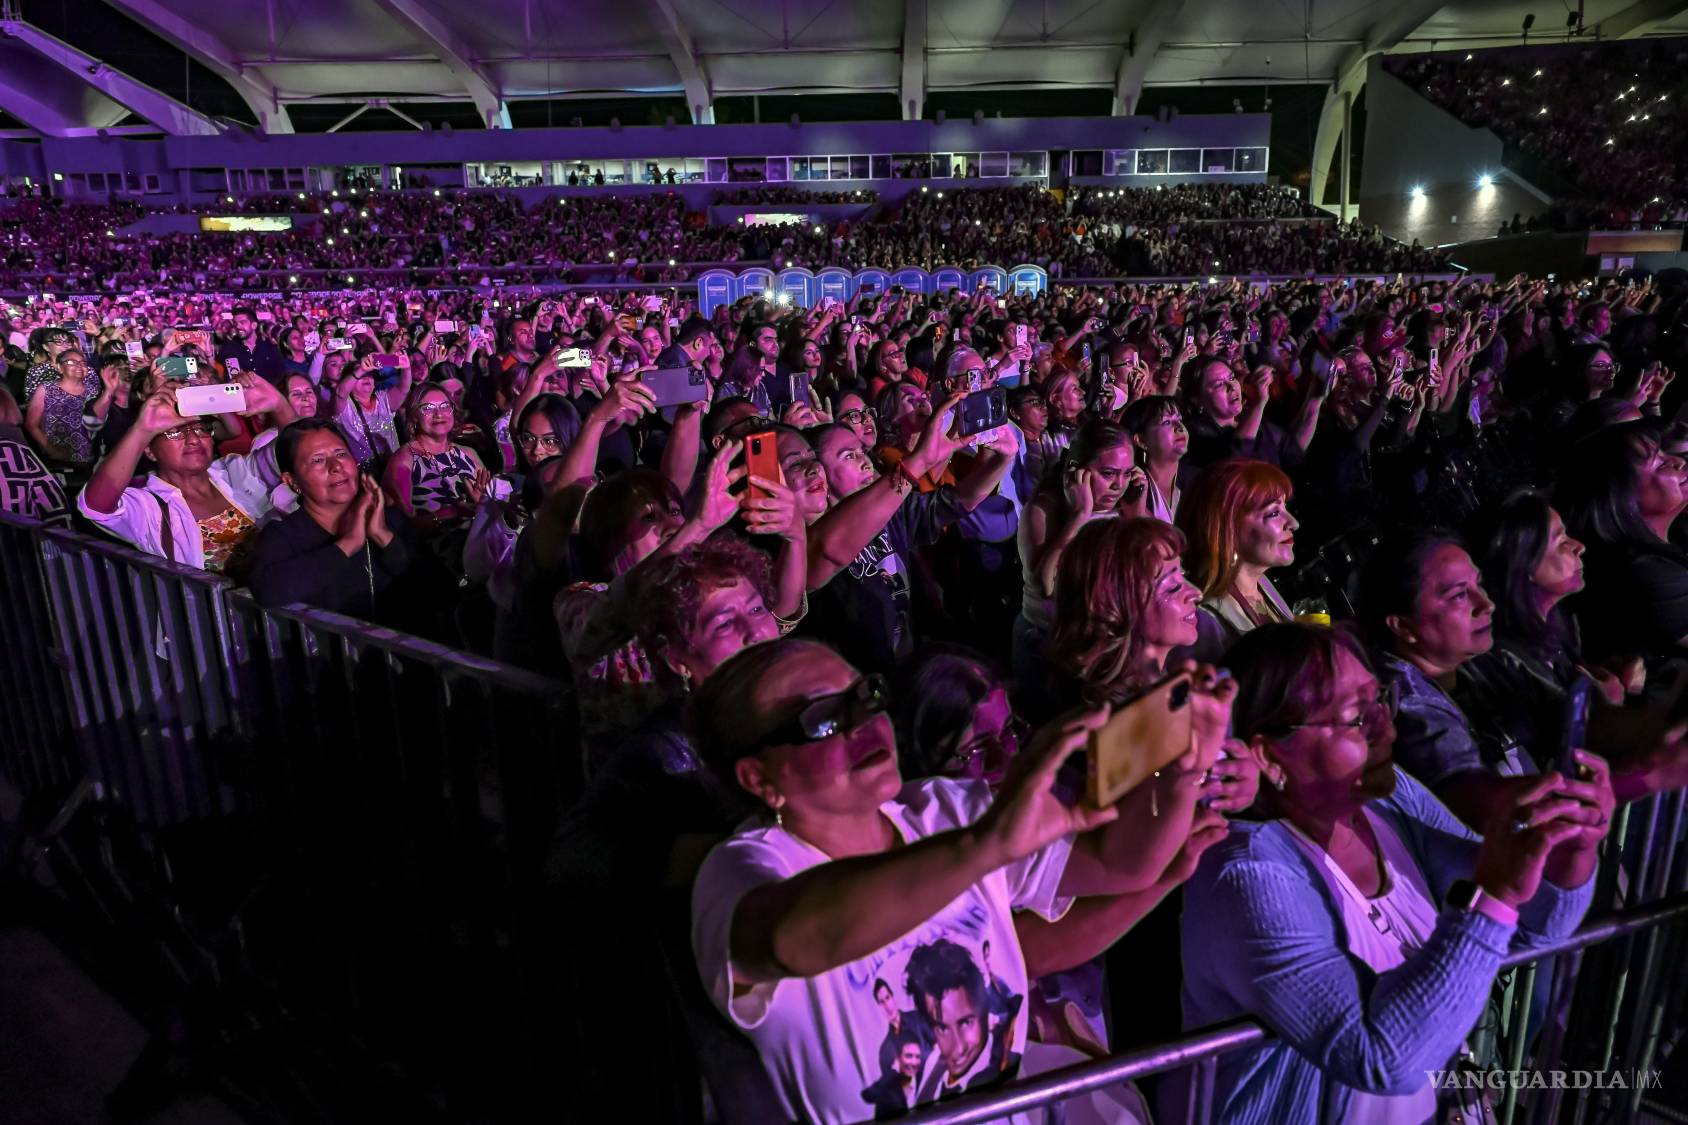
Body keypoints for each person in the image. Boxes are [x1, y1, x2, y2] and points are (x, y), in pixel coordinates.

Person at [689, 637, 1230, 1125]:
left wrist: (1181, 770)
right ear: (758, 778)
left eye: (866, 694)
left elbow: (1121, 864)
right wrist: (988, 844)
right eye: (824, 719)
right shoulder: (740, 871)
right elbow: (798, 937)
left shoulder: (942, 810)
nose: (862, 722)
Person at [1181, 623, 1608, 1125]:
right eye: (1357, 717)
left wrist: (1572, 847)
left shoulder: (1391, 797)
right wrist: (1494, 891)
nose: (1386, 724)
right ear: (1270, 756)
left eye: (1380, 697)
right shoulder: (1251, 873)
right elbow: (1380, 1058)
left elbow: (1534, 922)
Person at [79, 378, 293, 572]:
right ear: (149, 450)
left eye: (200, 428)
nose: (193, 439)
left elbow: (295, 453)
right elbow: (96, 506)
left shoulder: (233, 472)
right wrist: (142, 430)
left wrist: (280, 406)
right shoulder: (151, 508)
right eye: (175, 432)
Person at [1013, 420, 1147, 696]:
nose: (1118, 485)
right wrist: (1079, 517)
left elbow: (1145, 571)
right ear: (1076, 471)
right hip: (1046, 646)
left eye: (1126, 474)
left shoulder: (1125, 504)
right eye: (1108, 473)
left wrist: (1137, 514)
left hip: (1101, 646)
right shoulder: (1043, 509)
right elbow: (1043, 585)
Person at [247, 419, 416, 618]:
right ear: (292, 481)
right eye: (318, 460)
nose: (336, 466)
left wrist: (384, 538)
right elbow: (268, 590)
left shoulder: (388, 518)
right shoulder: (284, 536)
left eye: (341, 454)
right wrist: (348, 544)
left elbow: (439, 589)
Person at [1557, 420, 1688, 662]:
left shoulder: (1667, 539)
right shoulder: (1647, 572)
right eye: (1659, 464)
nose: (1678, 462)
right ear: (1621, 496)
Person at [1176, 459, 1297, 651]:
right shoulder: (1203, 620)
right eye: (1274, 513)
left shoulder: (1263, 588)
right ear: (1228, 528)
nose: (1293, 523)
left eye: (1285, 509)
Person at [24, 347, 119, 466]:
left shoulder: (94, 391)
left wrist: (109, 390)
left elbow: (98, 423)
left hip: (89, 459)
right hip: (56, 460)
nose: (79, 366)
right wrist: (51, 449)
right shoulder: (46, 389)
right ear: (59, 367)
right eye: (71, 362)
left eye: (83, 362)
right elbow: (31, 424)